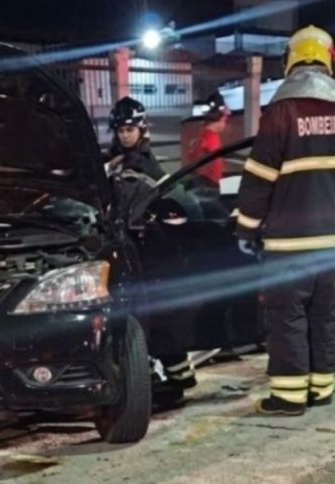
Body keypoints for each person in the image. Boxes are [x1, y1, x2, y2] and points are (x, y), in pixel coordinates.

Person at [236, 25, 335, 415]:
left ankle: (289, 395)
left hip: (288, 243)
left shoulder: (281, 112)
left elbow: (259, 179)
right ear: (329, 61)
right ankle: (320, 388)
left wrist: (247, 228)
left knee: (288, 316)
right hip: (334, 243)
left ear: (290, 60)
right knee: (325, 316)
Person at [106, 97, 195, 399]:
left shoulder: (149, 168)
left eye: (129, 129)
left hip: (141, 254)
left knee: (146, 316)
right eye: (120, 130)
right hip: (119, 250)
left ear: (142, 129)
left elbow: (178, 203)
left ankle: (166, 379)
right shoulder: (110, 164)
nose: (124, 135)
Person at [186, 91, 231, 189]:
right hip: (208, 187)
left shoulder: (202, 136)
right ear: (220, 119)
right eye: (224, 120)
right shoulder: (210, 140)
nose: (224, 124)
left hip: (201, 184)